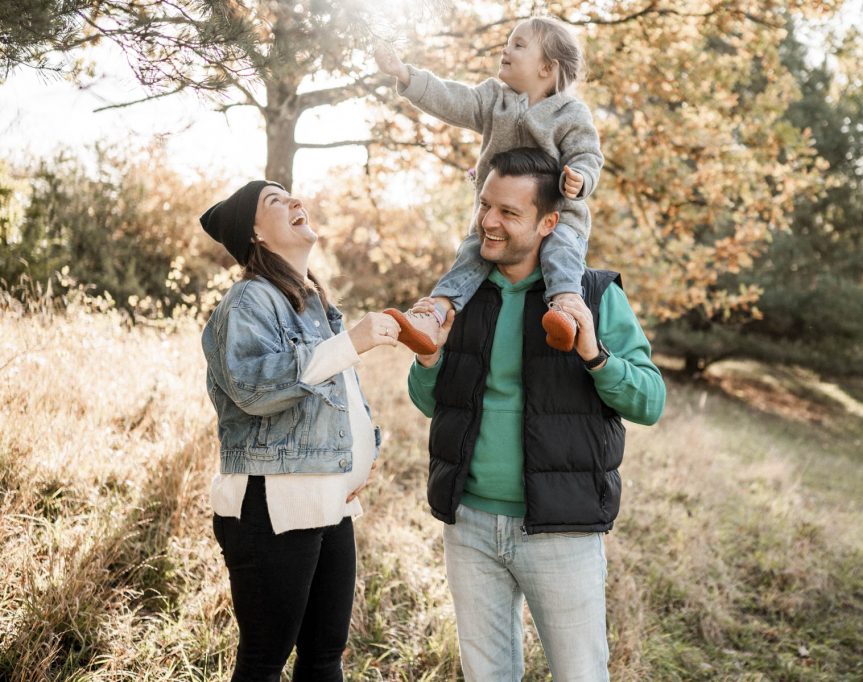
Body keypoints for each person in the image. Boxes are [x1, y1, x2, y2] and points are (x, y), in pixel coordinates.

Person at [406, 148, 666, 681]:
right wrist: (429, 360)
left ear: (550, 222)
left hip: (561, 531)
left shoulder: (593, 294)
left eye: (508, 212)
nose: (488, 222)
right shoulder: (462, 294)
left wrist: (595, 355)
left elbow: (650, 401)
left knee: (580, 675)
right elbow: (432, 403)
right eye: (485, 206)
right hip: (471, 525)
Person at [199, 180, 404, 681]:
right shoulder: (250, 300)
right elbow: (252, 387)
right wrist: (350, 342)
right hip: (273, 507)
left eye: (291, 194)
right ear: (256, 235)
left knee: (324, 658)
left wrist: (362, 455)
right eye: (276, 201)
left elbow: (339, 398)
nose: (295, 201)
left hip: (331, 503)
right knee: (265, 662)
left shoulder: (312, 302)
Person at [375, 16, 603, 352]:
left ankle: (566, 311)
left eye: (519, 45)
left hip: (558, 217)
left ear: (547, 68)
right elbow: (453, 99)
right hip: (497, 217)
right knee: (471, 255)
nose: (506, 49)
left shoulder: (570, 113)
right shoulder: (494, 98)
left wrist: (580, 179)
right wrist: (406, 74)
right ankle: (434, 314)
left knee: (562, 253)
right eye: (508, 42)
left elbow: (588, 154)